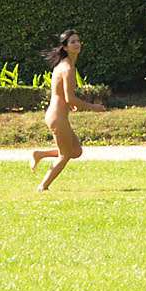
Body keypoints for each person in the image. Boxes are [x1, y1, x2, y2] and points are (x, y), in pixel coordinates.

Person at [30, 29, 106, 190]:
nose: (77, 44)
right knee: (65, 155)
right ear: (65, 47)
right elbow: (69, 98)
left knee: (76, 151)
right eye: (72, 42)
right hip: (57, 117)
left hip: (57, 114)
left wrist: (71, 104)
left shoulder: (65, 65)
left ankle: (40, 154)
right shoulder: (67, 68)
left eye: (78, 41)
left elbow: (63, 96)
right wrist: (93, 107)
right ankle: (43, 187)